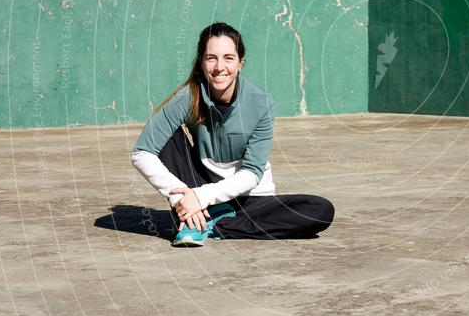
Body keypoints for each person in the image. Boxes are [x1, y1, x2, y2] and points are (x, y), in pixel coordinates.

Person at [131, 22, 334, 246]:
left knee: (319, 210)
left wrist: (200, 198)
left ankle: (211, 225)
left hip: (250, 198)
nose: (220, 67)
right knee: (167, 138)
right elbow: (142, 152)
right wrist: (180, 198)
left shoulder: (261, 102)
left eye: (228, 58)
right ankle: (192, 215)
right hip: (199, 186)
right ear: (202, 62)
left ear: (240, 63)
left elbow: (252, 174)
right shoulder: (187, 97)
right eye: (211, 58)